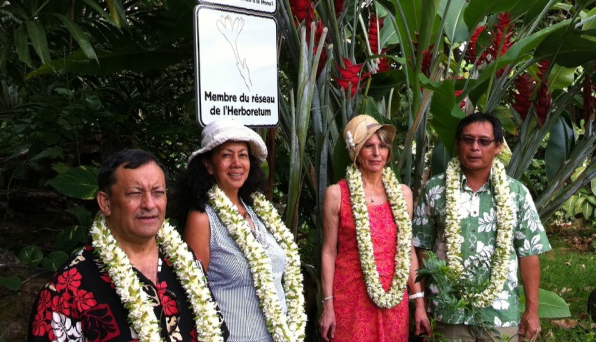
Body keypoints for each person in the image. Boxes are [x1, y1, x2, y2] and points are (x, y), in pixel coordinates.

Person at [27, 149, 226, 341]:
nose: (149, 204)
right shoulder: (66, 289)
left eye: (158, 192)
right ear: (105, 203)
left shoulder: (186, 263)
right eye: (135, 193)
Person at [412, 112, 551, 342]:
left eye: (484, 141)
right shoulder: (435, 190)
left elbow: (529, 253)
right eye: (468, 140)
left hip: (500, 314)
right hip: (448, 313)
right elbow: (421, 248)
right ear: (457, 144)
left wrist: (532, 312)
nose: (475, 147)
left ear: (497, 147)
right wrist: (424, 301)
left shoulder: (516, 193)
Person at [177, 118, 306, 342]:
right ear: (208, 165)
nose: (236, 163)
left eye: (243, 155)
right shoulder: (202, 219)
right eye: (226, 155)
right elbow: (192, 294)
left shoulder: (259, 213)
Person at [318, 114, 431, 341]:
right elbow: (329, 252)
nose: (377, 153)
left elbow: (407, 251)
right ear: (356, 152)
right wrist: (328, 305)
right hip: (350, 298)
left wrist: (419, 303)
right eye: (369, 146)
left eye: (382, 146)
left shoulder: (402, 194)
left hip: (393, 297)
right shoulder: (336, 194)